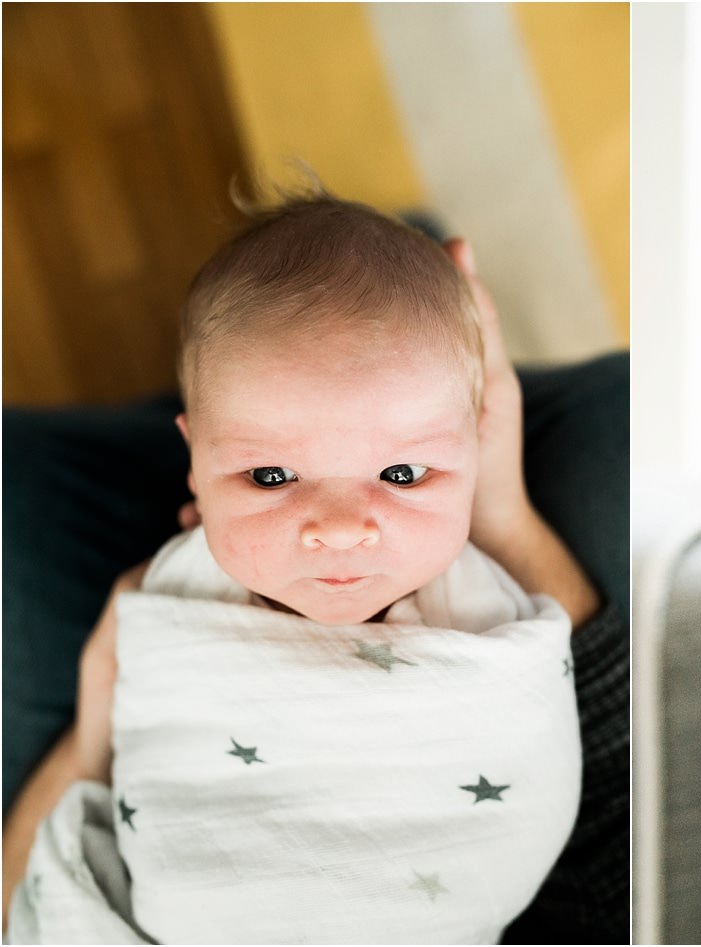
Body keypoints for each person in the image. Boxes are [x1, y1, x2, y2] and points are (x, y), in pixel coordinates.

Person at [2, 197, 629, 942]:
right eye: (270, 476)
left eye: (401, 472)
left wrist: (93, 722)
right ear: (195, 464)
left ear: (474, 447)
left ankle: (341, 334)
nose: (337, 531)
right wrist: (504, 517)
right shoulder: (485, 599)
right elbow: (608, 763)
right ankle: (360, 319)